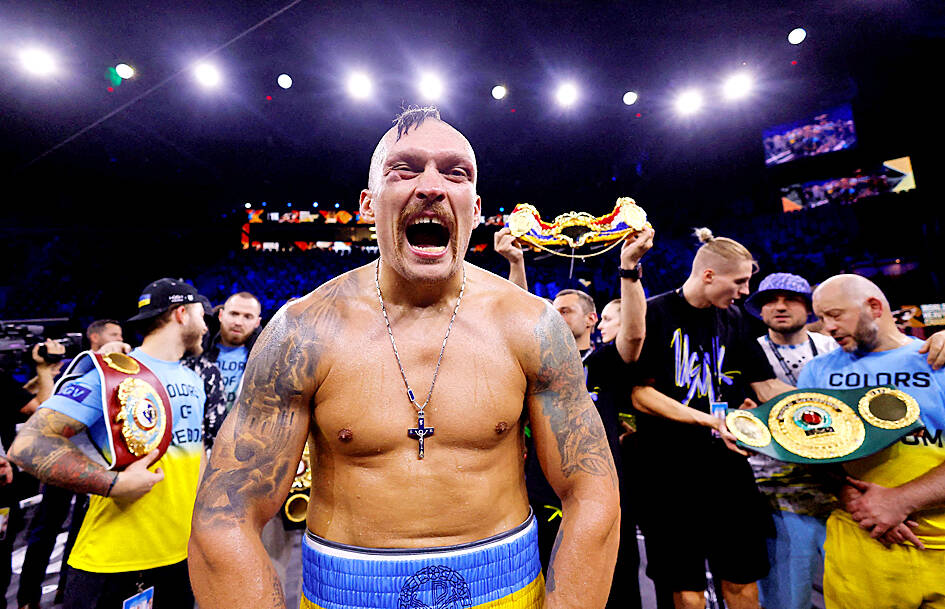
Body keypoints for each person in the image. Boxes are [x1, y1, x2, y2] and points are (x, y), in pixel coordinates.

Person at [189, 107, 620, 609]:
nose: (432, 186)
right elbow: (225, 513)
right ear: (368, 204)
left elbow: (592, 487)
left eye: (455, 173)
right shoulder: (302, 332)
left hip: (508, 591)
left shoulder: (533, 326)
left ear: (475, 207)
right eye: (405, 169)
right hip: (344, 598)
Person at [8, 278, 209, 609]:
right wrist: (113, 484)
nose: (206, 323)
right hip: (113, 562)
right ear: (182, 313)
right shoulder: (112, 374)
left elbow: (194, 454)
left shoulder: (192, 379)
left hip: (179, 557)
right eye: (202, 312)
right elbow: (28, 445)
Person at [631, 228, 794, 609]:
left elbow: (766, 385)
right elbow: (640, 394)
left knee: (743, 578)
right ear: (708, 275)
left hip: (727, 469)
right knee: (686, 590)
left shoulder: (735, 319)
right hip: (669, 472)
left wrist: (825, 406)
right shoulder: (654, 313)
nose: (744, 291)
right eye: (739, 282)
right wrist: (709, 421)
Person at [798, 274, 945, 609]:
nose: (827, 327)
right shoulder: (816, 372)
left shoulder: (937, 359)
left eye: (835, 315)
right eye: (821, 318)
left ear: (875, 307)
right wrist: (858, 503)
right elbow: (808, 454)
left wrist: (900, 501)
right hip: (860, 544)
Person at [742, 273, 839, 609]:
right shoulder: (745, 352)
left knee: (849, 592)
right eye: (770, 300)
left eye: (790, 299)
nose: (779, 307)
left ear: (808, 307)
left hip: (837, 486)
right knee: (786, 598)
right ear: (760, 310)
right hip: (774, 489)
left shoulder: (833, 348)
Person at [17, 322, 125, 609]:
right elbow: (42, 405)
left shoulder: (117, 370)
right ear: (95, 336)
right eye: (114, 334)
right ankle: (27, 598)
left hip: (95, 460)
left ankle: (67, 590)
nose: (120, 339)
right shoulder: (72, 368)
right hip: (62, 458)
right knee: (45, 528)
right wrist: (46, 370)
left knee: (79, 529)